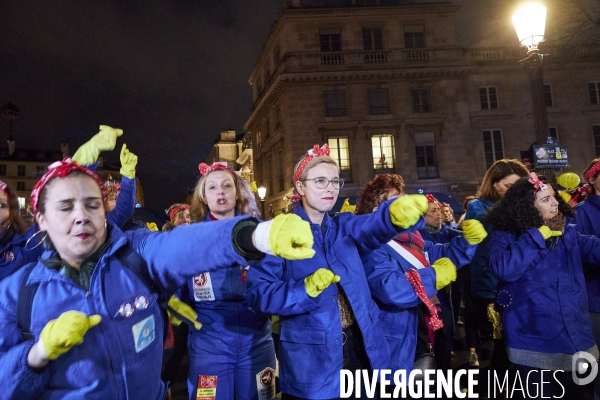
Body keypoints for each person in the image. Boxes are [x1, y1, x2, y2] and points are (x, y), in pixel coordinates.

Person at [0, 158, 315, 399]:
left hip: (251, 344)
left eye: (92, 204)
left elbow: (184, 245)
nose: (81, 215)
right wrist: (36, 354)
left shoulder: (136, 253)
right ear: (40, 218)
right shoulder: (17, 294)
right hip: (210, 346)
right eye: (65, 207)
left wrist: (257, 235)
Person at [245, 144, 429, 399]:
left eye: (334, 181)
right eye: (320, 181)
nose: (330, 187)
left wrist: (393, 217)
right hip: (312, 361)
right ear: (300, 187)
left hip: (360, 348)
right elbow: (258, 293)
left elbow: (372, 225)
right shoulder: (279, 234)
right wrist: (304, 290)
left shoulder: (343, 226)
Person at [355, 174, 484, 379]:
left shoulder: (411, 238)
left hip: (420, 336)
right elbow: (391, 288)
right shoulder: (369, 245)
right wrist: (434, 276)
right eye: (395, 203)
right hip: (394, 344)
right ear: (376, 212)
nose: (406, 208)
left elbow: (437, 254)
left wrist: (467, 242)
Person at [485, 173, 600, 399]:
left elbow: (593, 247)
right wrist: (537, 235)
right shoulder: (505, 234)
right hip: (533, 340)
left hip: (577, 337)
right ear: (527, 206)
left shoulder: (568, 230)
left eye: (553, 197)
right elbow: (503, 268)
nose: (555, 202)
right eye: (545, 199)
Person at [181, 161, 276, 400]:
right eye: (212, 187)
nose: (220, 192)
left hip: (256, 342)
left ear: (238, 192)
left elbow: (275, 283)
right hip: (208, 346)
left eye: (226, 185)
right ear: (203, 196)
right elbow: (177, 290)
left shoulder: (259, 234)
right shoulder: (190, 240)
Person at [464, 159, 529, 368]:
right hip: (491, 283)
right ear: (493, 183)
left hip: (521, 280)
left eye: (517, 187)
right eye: (508, 186)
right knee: (500, 341)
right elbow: (490, 231)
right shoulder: (477, 206)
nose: (512, 192)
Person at [574, 158, 600, 399]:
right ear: (592, 180)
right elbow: (580, 251)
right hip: (594, 302)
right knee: (592, 369)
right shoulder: (582, 211)